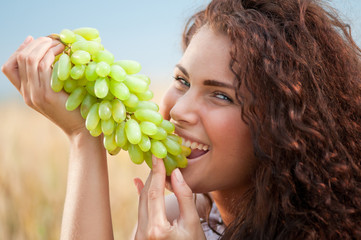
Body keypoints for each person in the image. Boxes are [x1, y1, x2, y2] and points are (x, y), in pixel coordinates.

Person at [2, 0, 361, 239]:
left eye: (221, 95)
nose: (178, 110)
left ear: (283, 125)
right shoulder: (174, 218)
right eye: (182, 81)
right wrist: (83, 137)